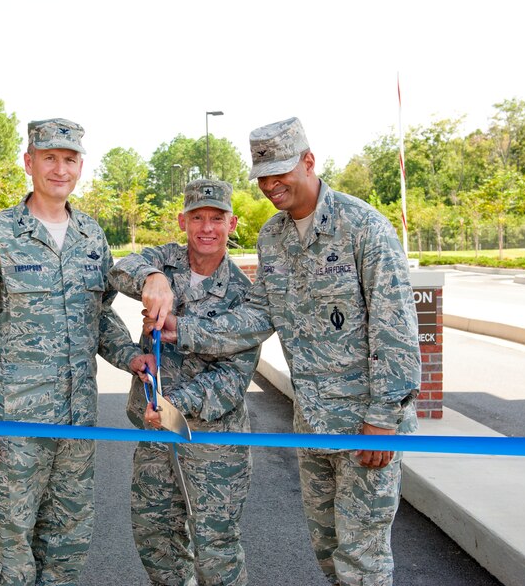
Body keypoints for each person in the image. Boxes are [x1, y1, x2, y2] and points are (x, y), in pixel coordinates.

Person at [144, 117, 421, 586]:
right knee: (330, 548)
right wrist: (181, 330)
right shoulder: (273, 237)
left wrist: (384, 419)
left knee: (363, 559)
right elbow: (257, 315)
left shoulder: (363, 228)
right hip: (312, 422)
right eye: (263, 177)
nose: (272, 185)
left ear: (309, 162)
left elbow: (396, 329)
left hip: (364, 424)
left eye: (281, 172)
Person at [0, 118, 153, 586]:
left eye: (70, 159)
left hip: (77, 426)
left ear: (81, 166)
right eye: (50, 157)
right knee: (10, 553)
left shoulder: (91, 237)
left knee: (68, 548)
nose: (60, 168)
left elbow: (98, 317)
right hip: (13, 427)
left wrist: (131, 357)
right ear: (29, 162)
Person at [108, 179, 260, 586]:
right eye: (197, 217)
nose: (206, 228)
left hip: (214, 441)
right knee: (156, 539)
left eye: (216, 218)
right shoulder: (164, 261)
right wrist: (152, 278)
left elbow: (232, 378)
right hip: (157, 438)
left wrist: (173, 403)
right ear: (183, 221)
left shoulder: (244, 296)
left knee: (216, 550)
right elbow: (120, 268)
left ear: (233, 223)